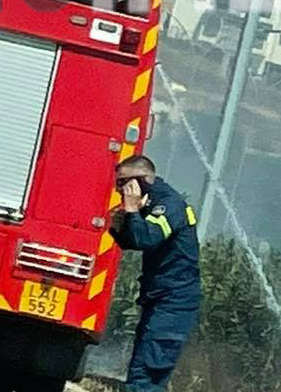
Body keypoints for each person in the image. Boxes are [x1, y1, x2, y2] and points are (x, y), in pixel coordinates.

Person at [110, 155, 201, 392]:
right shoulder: (151, 203)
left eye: (123, 183)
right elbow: (134, 242)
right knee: (142, 370)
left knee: (145, 376)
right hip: (160, 300)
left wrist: (132, 211)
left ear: (141, 180)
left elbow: (148, 238)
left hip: (173, 303)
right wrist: (119, 227)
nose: (119, 190)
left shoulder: (168, 204)